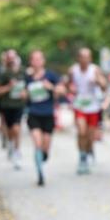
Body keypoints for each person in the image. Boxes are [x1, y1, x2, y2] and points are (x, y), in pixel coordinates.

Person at [66, 48, 107, 175]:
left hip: (93, 107)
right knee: (81, 131)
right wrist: (71, 90)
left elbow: (104, 86)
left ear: (90, 59)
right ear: (78, 58)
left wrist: (97, 81)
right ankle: (82, 158)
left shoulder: (95, 70)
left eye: (87, 57)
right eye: (82, 57)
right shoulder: (73, 70)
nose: (85, 59)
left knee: (89, 137)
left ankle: (88, 151)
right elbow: (68, 85)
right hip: (80, 105)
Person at [24, 50, 62, 186]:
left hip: (48, 115)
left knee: (45, 147)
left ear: (43, 61)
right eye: (34, 59)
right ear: (31, 62)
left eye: (39, 59)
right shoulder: (27, 78)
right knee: (37, 143)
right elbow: (22, 94)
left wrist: (50, 87)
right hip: (33, 114)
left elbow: (62, 90)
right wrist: (25, 93)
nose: (37, 62)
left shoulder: (51, 75)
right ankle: (40, 173)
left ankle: (43, 156)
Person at [0, 50, 27, 169]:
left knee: (17, 128)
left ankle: (17, 152)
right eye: (9, 58)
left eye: (13, 57)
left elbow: (29, 87)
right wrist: (8, 87)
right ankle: (11, 144)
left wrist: (25, 93)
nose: (11, 60)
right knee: (9, 129)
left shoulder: (23, 71)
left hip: (19, 105)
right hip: (6, 106)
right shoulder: (3, 73)